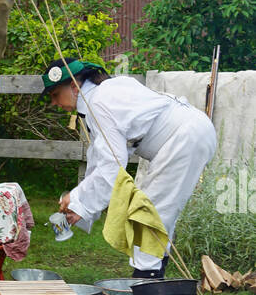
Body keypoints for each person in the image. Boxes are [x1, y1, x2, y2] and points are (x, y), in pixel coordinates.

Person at [44, 58, 217, 276]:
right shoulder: (101, 95)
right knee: (157, 220)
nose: (54, 103)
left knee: (149, 218)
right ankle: (154, 286)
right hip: (187, 134)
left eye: (55, 95)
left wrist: (81, 202)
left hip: (184, 138)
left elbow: (112, 166)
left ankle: (146, 291)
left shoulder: (98, 103)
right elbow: (99, 156)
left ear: (73, 86)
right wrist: (80, 203)